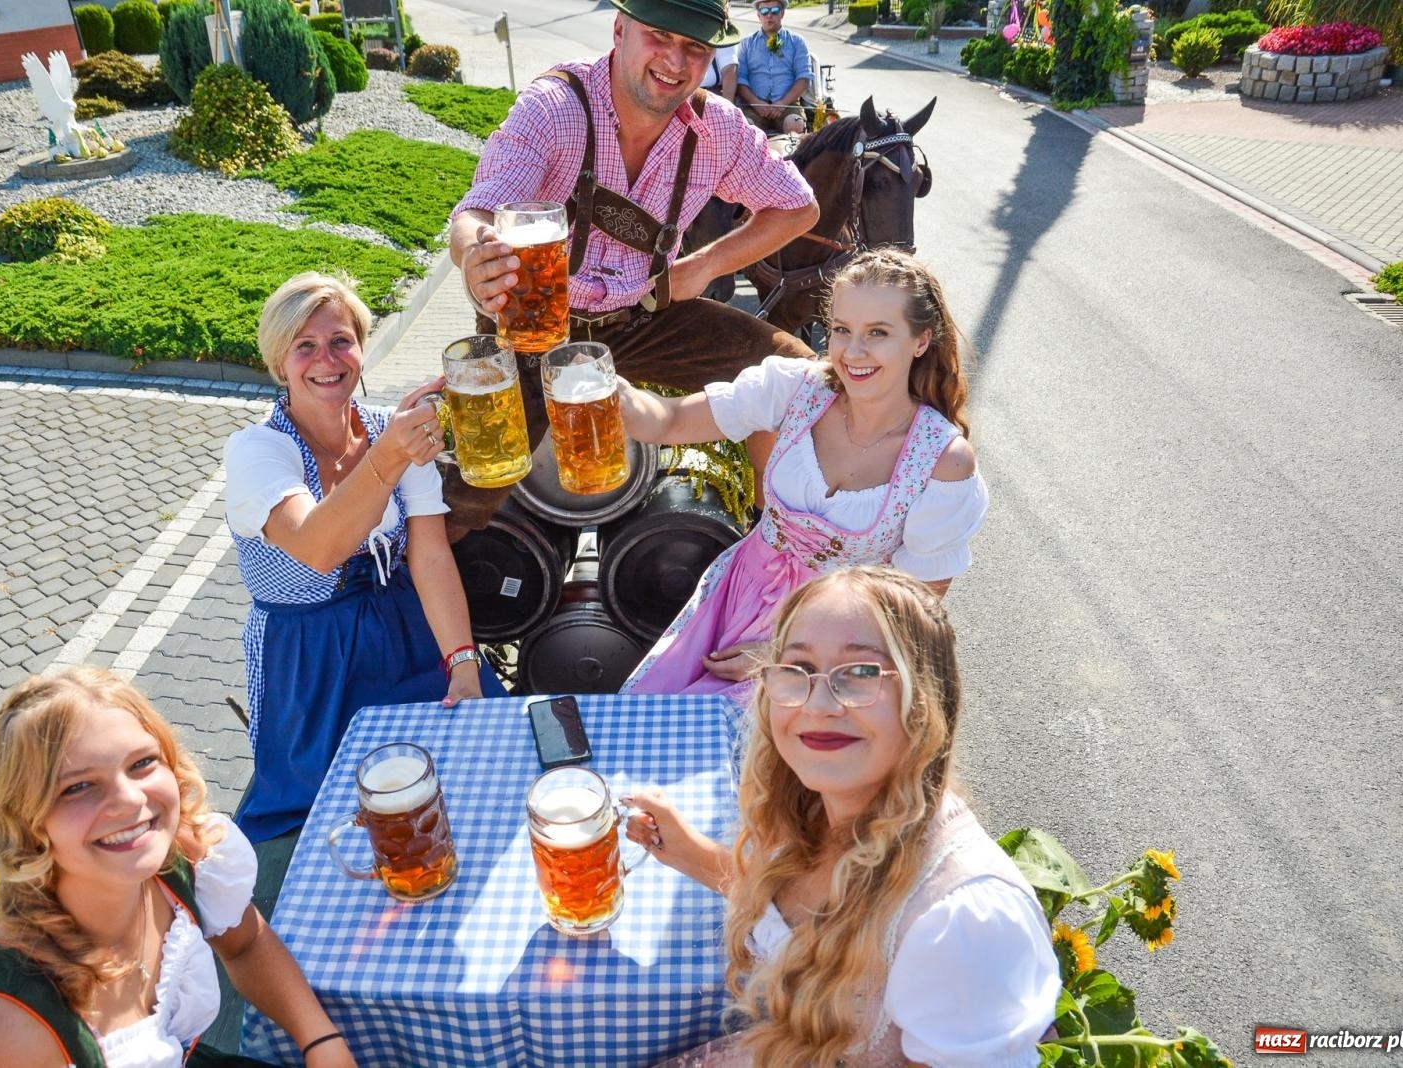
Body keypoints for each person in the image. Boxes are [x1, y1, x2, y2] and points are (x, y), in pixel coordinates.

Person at [625, 568, 1061, 1066]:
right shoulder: (814, 808)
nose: (819, 703)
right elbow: (788, 912)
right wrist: (687, 852)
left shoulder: (961, 921)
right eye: (798, 670)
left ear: (924, 700)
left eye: (860, 674)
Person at [447, 0, 822, 532]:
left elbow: (798, 207)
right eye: (659, 36)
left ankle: (772, 542)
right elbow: (478, 210)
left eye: (694, 46)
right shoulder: (555, 107)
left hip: (645, 316)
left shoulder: (718, 129)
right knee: (468, 494)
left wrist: (701, 266)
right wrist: (476, 252)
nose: (675, 60)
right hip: (534, 325)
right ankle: (422, 586)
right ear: (619, 30)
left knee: (798, 380)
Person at [0, 668, 358, 1068]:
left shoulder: (181, 852)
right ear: (28, 821)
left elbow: (246, 944)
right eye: (78, 787)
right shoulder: (9, 1022)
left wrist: (321, 1040)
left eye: (141, 763)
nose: (131, 801)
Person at [620, 248, 987, 701]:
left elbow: (913, 608)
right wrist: (599, 383)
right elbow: (667, 421)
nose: (853, 352)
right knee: (654, 725)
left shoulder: (942, 461)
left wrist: (785, 655)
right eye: (840, 330)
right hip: (737, 601)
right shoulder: (797, 388)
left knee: (764, 761)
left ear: (921, 341)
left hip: (845, 648)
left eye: (878, 333)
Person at [223, 271, 503, 842]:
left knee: (473, 763)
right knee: (334, 816)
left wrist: (464, 662)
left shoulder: (386, 431)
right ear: (280, 364)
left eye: (340, 341)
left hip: (406, 632)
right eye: (305, 346)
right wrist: (390, 458)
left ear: (361, 347)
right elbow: (318, 547)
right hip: (310, 660)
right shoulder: (259, 451)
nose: (326, 359)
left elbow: (428, 557)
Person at [735, 0, 813, 134]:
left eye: (775, 11)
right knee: (745, 128)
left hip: (788, 105)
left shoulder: (797, 42)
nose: (769, 15)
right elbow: (741, 80)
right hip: (754, 106)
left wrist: (782, 103)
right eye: (764, 11)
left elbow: (803, 78)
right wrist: (756, 103)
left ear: (782, 13)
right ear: (758, 15)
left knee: (795, 124)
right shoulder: (746, 44)